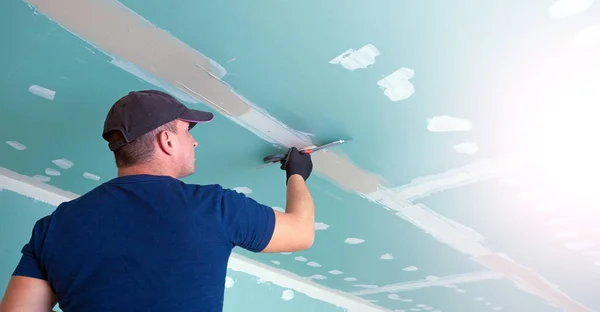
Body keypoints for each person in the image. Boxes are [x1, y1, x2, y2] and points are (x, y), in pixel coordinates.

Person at [0, 90, 315, 312]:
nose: (194, 140)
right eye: (186, 131)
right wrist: (296, 173)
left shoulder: (55, 226)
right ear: (166, 141)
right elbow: (301, 232)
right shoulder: (213, 206)